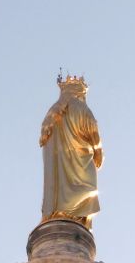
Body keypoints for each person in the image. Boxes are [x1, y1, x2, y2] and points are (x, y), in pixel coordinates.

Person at [40, 75, 103, 229]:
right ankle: (76, 216)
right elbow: (93, 131)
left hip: (56, 177)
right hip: (80, 164)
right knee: (87, 190)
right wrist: (98, 151)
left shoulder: (52, 113)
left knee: (62, 187)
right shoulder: (81, 108)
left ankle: (58, 211)